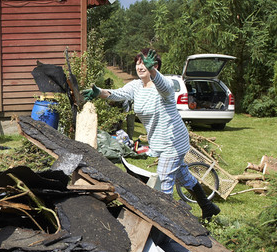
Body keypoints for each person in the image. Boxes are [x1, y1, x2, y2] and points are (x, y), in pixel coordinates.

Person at [83, 48, 220, 219]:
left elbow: (164, 87)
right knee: (183, 177)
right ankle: (208, 207)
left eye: (144, 63)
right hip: (160, 142)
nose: (140, 67)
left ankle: (168, 225)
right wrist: (99, 92)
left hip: (173, 140)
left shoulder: (165, 84)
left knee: (164, 182)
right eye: (138, 63)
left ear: (155, 65)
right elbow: (117, 94)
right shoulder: (136, 86)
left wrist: (153, 71)